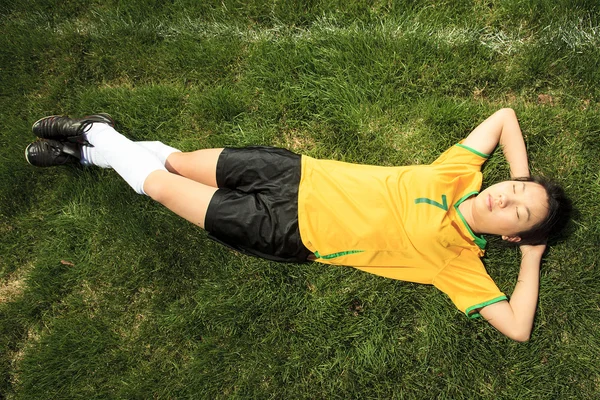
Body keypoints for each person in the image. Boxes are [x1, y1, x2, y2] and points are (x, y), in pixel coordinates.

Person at [24, 108, 571, 342]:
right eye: (514, 190)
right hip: (290, 172)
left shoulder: (457, 263)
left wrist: (531, 255)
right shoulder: (458, 174)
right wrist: (529, 184)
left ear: (510, 234)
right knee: (176, 163)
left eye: (517, 211)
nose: (505, 197)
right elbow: (504, 119)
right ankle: (93, 153)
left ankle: (96, 134)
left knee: (162, 187)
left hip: (285, 231)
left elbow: (518, 325)